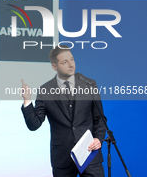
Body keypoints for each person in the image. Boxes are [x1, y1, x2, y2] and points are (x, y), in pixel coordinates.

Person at [21, 45, 106, 177]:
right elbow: (34, 124)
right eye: (65, 62)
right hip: (62, 158)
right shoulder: (45, 90)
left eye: (72, 59)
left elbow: (100, 118)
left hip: (90, 155)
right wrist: (27, 101)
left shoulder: (89, 85)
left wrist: (98, 139)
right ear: (54, 66)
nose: (71, 64)